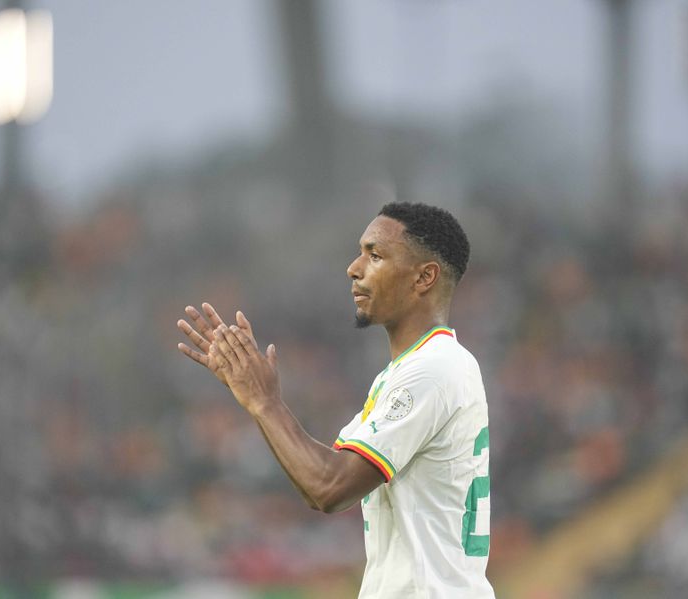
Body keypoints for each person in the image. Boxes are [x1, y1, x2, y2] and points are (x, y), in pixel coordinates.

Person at [177, 202, 494, 598]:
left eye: (374, 255)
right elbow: (318, 479)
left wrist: (265, 403)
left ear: (424, 276)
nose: (353, 268)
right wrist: (257, 399)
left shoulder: (433, 369)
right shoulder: (410, 371)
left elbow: (329, 486)